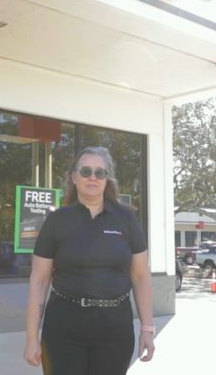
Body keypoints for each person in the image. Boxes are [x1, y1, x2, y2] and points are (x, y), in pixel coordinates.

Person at [24, 146, 155, 374]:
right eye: (85, 171)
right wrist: (31, 336)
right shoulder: (57, 220)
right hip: (63, 328)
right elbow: (39, 280)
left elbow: (141, 276)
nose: (92, 177)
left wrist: (147, 328)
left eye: (99, 172)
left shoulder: (126, 218)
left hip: (115, 330)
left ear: (107, 179)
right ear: (74, 177)